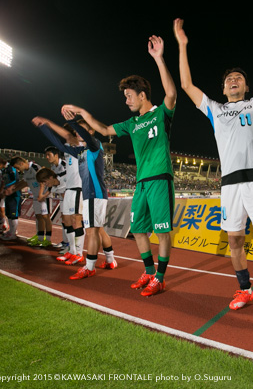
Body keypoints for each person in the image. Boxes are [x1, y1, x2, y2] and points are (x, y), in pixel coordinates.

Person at [174, 19, 253, 320]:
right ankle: (245, 288)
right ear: (223, 88)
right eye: (229, 79)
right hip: (229, 185)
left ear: (246, 86)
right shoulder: (215, 110)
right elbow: (186, 85)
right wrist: (182, 45)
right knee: (234, 240)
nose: (233, 80)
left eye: (238, 78)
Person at [61, 34, 177, 297]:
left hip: (160, 178)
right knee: (137, 230)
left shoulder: (161, 113)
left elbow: (171, 93)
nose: (126, 100)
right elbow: (102, 128)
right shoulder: (131, 123)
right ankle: (148, 271)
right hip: (141, 183)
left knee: (162, 232)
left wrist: (159, 58)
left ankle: (159, 277)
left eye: (129, 96)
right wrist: (80, 112)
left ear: (142, 95)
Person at [32, 116, 116, 280]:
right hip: (91, 194)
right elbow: (58, 143)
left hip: (94, 193)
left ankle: (89, 267)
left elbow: (80, 134)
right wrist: (45, 126)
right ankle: (110, 259)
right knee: (97, 229)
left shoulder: (95, 145)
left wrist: (72, 122)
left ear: (90, 131)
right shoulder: (80, 152)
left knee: (92, 231)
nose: (77, 133)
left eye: (81, 129)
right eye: (76, 130)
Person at [0, 156, 26, 240]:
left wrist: (9, 188)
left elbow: (16, 180)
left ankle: (13, 233)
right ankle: (11, 231)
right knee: (9, 214)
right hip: (8, 193)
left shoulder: (11, 169)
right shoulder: (5, 170)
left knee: (13, 214)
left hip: (15, 194)